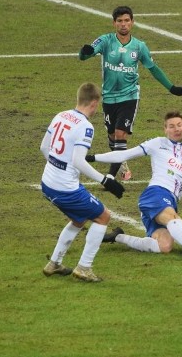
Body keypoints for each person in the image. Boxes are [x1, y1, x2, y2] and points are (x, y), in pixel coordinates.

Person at [87, 111, 182, 262]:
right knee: (172, 218)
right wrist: (91, 157)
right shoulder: (158, 143)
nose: (176, 129)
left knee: (165, 246)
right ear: (165, 130)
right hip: (155, 194)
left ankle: (119, 237)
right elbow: (123, 155)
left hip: (170, 201)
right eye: (171, 126)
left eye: (179, 125)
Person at [79, 5, 182, 182]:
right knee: (112, 135)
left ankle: (110, 175)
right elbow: (86, 54)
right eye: (119, 21)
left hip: (130, 96)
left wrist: (172, 88)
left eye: (126, 20)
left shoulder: (139, 46)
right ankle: (122, 163)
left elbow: (153, 68)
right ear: (114, 23)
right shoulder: (106, 41)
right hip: (109, 97)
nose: (123, 24)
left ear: (132, 22)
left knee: (120, 134)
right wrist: (84, 53)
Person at [39, 82, 125, 283]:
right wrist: (106, 180)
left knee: (79, 219)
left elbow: (44, 147)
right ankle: (84, 267)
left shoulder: (60, 115)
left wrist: (57, 168)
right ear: (94, 103)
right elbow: (78, 161)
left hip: (47, 183)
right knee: (103, 217)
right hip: (65, 189)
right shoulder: (85, 127)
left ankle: (54, 263)